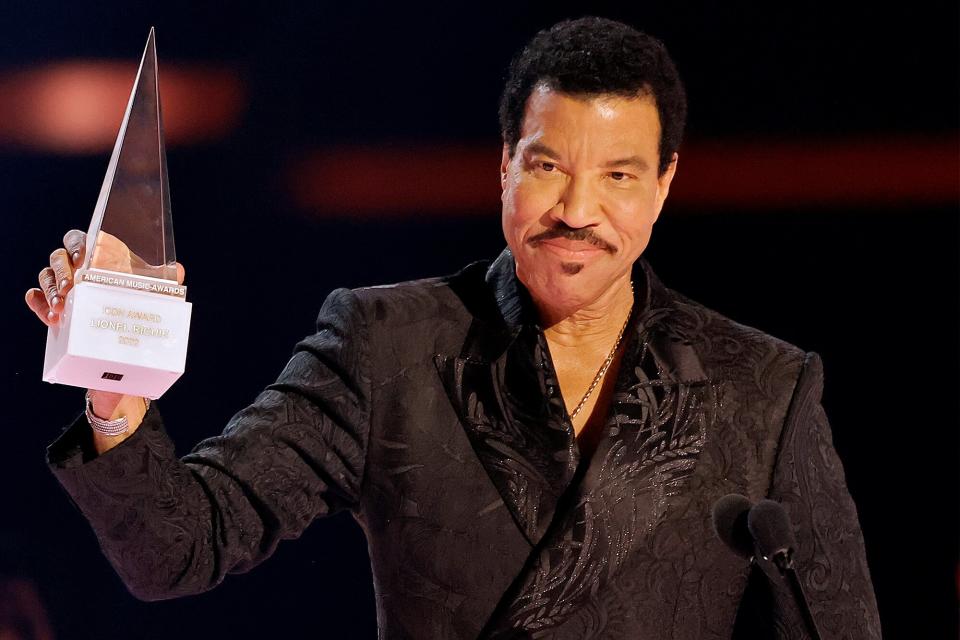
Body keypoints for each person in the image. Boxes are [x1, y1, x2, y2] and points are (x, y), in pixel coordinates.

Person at [26, 17, 881, 639]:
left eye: (618, 175)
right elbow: (178, 548)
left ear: (664, 185)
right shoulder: (387, 343)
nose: (577, 210)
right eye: (548, 167)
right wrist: (115, 377)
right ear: (503, 164)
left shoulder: (763, 387)